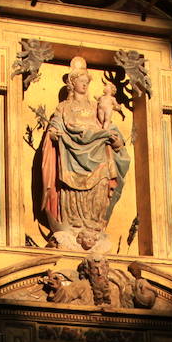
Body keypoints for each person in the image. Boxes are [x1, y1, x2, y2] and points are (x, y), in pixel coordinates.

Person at [41, 57, 130, 250]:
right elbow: (55, 125)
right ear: (72, 84)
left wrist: (116, 142)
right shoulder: (63, 107)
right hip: (70, 158)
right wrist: (54, 134)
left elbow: (107, 125)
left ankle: (93, 226)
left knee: (101, 186)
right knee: (71, 191)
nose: (85, 85)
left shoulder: (95, 106)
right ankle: (72, 226)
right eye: (81, 81)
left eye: (87, 82)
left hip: (97, 158)